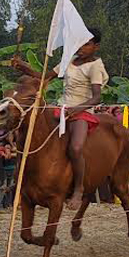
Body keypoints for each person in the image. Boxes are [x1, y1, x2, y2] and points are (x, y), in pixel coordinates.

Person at [13, 28, 108, 210]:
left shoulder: (95, 66)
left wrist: (75, 110)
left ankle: (78, 189)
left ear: (96, 46)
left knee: (76, 147)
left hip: (82, 111)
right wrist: (23, 66)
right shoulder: (70, 59)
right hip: (60, 108)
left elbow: (97, 97)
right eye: (79, 42)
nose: (81, 47)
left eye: (86, 44)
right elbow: (45, 77)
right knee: (34, 132)